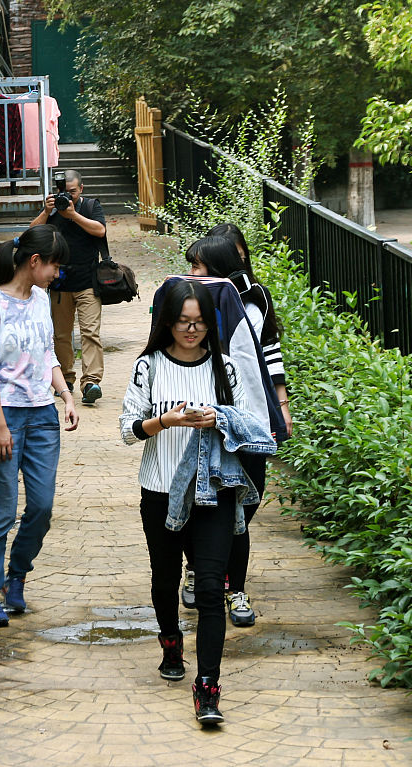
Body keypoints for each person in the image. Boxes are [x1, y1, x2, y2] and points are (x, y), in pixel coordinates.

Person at [120, 278, 271, 725]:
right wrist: (165, 421)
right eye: (183, 322)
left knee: (209, 589)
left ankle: (208, 687)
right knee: (165, 581)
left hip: (214, 492)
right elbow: (127, 430)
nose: (191, 330)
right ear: (167, 322)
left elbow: (248, 425)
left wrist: (218, 419)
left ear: (211, 324)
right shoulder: (148, 366)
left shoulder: (225, 368)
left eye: (200, 323)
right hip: (161, 490)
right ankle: (170, 640)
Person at [179, 231, 292, 628]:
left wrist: (280, 407)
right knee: (203, 501)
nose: (192, 273)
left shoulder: (254, 300)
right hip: (202, 418)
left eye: (198, 266)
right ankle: (203, 570)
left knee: (244, 503)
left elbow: (269, 354)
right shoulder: (189, 302)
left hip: (248, 416)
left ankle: (227, 580)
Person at [0, 225, 80, 627]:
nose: (57, 274)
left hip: (42, 416)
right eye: (55, 266)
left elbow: (47, 352)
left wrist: (66, 395)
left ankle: (16, 575)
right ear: (35, 262)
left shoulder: (40, 298)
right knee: (0, 512)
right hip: (5, 417)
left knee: (42, 506)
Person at [29, 169, 108, 405]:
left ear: (81, 189)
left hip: (88, 282)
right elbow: (32, 234)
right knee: (61, 335)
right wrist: (46, 212)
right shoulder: (53, 211)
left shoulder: (91, 206)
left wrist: (73, 215)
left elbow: (100, 230)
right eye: (64, 191)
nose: (68, 196)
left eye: (73, 192)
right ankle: (65, 378)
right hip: (60, 282)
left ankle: (91, 382)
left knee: (90, 332)